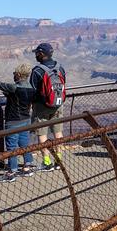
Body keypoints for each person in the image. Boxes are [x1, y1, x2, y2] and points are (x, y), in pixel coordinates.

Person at [0, 65, 36, 182]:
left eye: (14, 73)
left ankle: (12, 172)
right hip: (26, 119)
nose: (13, 75)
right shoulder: (31, 88)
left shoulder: (14, 88)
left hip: (13, 121)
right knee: (24, 143)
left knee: (11, 147)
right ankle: (27, 167)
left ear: (18, 74)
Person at [29, 43, 67, 172]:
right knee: (58, 132)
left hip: (41, 107)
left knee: (42, 134)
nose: (35, 55)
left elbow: (33, 91)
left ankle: (47, 162)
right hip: (58, 104)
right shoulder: (60, 67)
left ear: (41, 54)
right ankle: (59, 160)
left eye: (36, 53)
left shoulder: (37, 70)